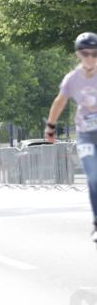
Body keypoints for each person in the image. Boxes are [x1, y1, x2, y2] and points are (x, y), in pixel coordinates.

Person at [45, 31, 97, 242]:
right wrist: (50, 127)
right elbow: (59, 102)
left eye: (95, 53)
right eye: (85, 53)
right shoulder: (72, 79)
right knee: (93, 177)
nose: (90, 58)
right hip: (85, 134)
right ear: (78, 54)